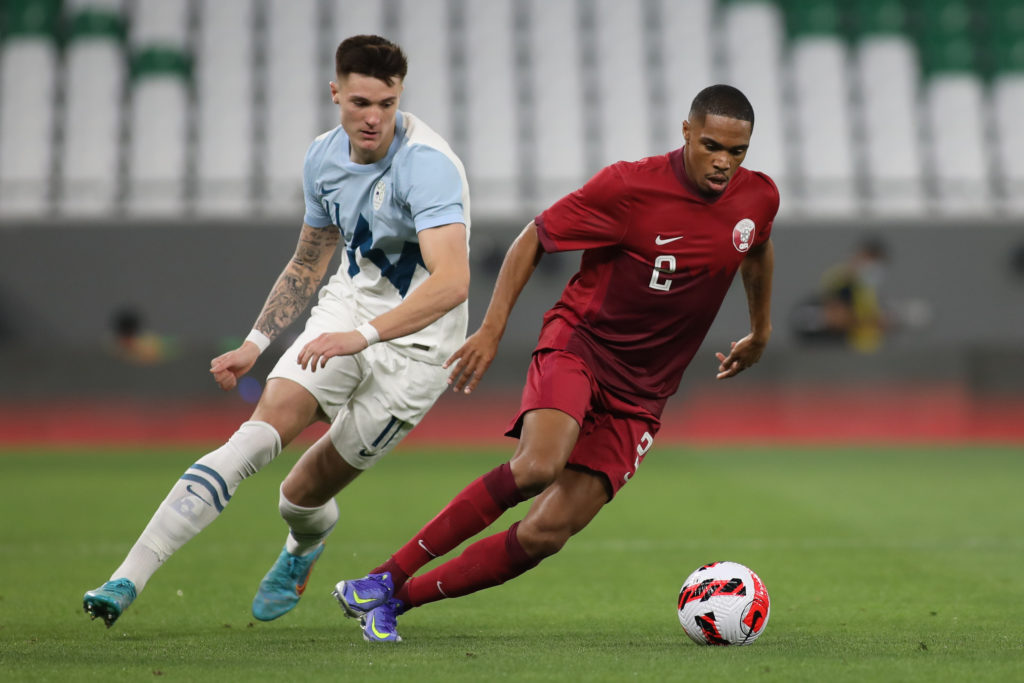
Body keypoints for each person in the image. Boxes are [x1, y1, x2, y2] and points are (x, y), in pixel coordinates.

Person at [332, 83, 779, 642]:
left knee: (548, 532)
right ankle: (385, 575)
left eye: (737, 151)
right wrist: (492, 329)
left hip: (645, 391)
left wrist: (760, 330)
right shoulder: (629, 187)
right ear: (687, 132)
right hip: (582, 346)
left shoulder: (758, 197)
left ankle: (394, 602)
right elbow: (533, 239)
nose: (724, 162)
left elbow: (757, 248)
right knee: (538, 466)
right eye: (712, 146)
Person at [83, 34, 471, 627]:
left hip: (419, 348)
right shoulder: (322, 158)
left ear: (400, 98)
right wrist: (255, 344)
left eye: (387, 104)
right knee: (254, 438)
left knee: (300, 496)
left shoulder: (428, 165)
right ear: (335, 92)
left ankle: (304, 544)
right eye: (360, 102)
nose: (373, 118)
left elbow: (453, 283)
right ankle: (126, 579)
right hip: (346, 312)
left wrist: (363, 337)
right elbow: (309, 262)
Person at [791, 238, 888, 352]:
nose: (872, 266)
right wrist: (869, 322)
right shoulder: (840, 280)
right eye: (870, 259)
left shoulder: (867, 289)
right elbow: (838, 318)